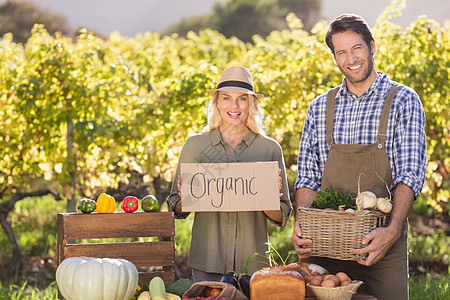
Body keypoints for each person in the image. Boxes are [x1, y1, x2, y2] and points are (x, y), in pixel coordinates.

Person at [292, 14, 426, 300]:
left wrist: (392, 231)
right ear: (335, 58)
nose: (350, 59)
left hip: (381, 246)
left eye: (357, 48)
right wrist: (301, 227)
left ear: (372, 47)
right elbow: (307, 176)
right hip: (324, 246)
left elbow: (410, 174)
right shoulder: (319, 108)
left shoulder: (402, 100)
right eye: (341, 52)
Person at [167, 66, 292, 282]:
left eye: (242, 99)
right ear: (216, 102)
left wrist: (265, 195)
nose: (234, 106)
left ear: (251, 104)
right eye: (226, 98)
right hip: (208, 260)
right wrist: (189, 197)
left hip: (254, 264)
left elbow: (283, 214)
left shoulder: (269, 149)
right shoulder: (195, 146)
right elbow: (175, 205)